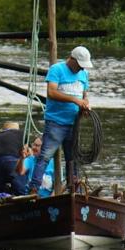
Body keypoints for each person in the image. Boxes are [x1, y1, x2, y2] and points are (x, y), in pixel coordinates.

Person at [40, 44, 92, 192]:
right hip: (56, 122)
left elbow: (84, 95)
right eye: (80, 65)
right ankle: (33, 189)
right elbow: (51, 92)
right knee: (45, 156)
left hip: (73, 122)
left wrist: (84, 105)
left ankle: (73, 190)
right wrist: (75, 101)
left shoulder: (84, 74)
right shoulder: (57, 69)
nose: (82, 68)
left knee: (73, 159)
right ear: (72, 60)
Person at [0, 119, 24, 196]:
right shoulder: (21, 134)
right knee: (21, 189)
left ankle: (4, 198)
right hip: (9, 159)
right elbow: (29, 153)